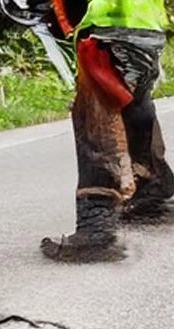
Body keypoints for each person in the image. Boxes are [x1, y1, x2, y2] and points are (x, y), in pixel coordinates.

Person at [39, 0, 173, 261]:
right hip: (147, 26)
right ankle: (149, 186)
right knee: (134, 104)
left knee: (96, 117)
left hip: (107, 28)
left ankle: (96, 225)